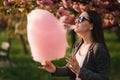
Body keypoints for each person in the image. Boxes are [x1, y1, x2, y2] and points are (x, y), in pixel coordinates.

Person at [39, 10, 110, 80]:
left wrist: (80, 71)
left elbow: (103, 77)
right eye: (77, 18)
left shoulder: (98, 49)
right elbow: (71, 70)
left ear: (91, 26)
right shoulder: (78, 45)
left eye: (81, 19)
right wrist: (54, 69)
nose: (76, 21)